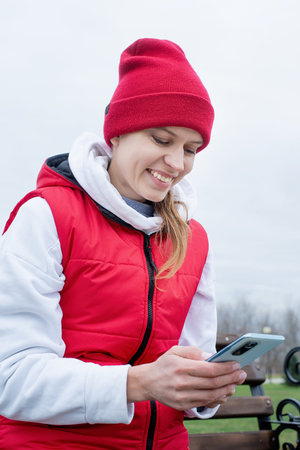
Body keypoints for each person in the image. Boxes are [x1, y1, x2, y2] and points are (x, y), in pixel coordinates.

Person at [0, 38, 246, 449]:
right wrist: (140, 383)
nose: (177, 164)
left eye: (191, 149)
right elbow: (12, 378)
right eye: (161, 140)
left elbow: (192, 360)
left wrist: (203, 389)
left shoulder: (194, 240)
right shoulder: (46, 216)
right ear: (117, 135)